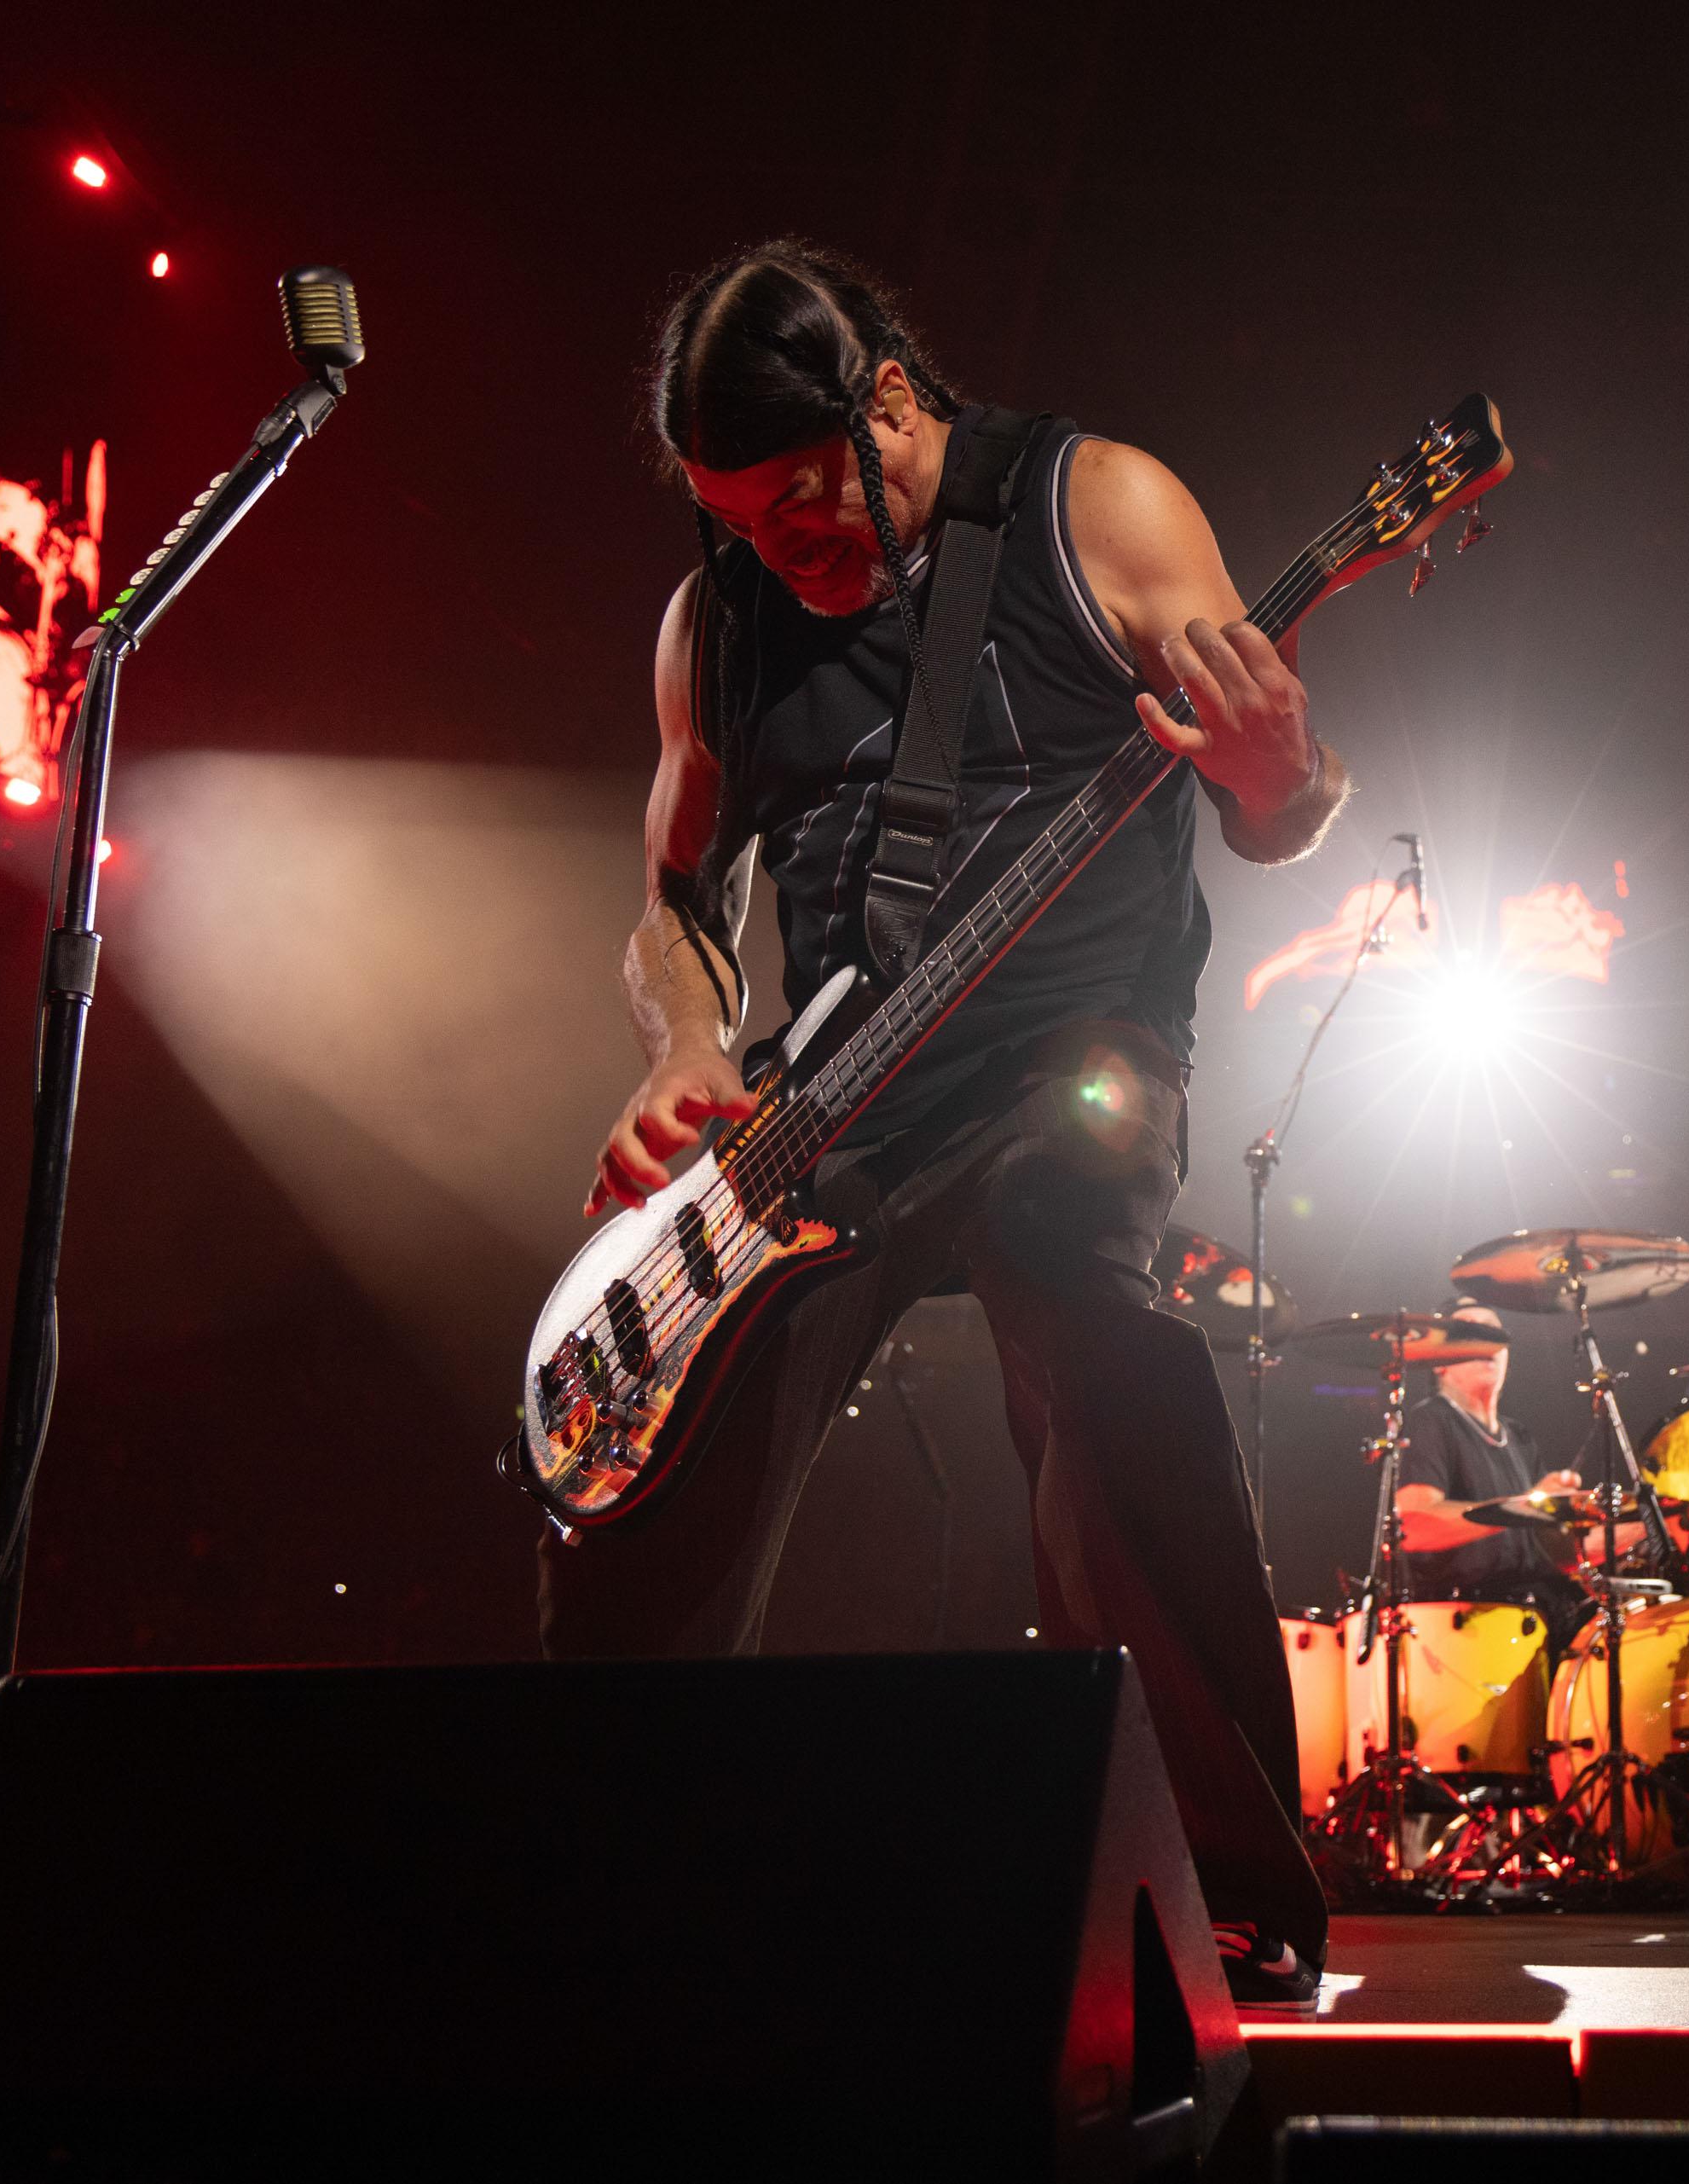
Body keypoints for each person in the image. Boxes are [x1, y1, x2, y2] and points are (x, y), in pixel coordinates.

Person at [541, 242, 1351, 2005]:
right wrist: (684, 1044)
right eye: (734, 519)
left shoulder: (1094, 505)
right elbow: (677, 901)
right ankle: (612, 1887)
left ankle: (1219, 1885)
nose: (778, 550)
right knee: (653, 1444)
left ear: (891, 402)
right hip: (839, 1094)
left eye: (802, 502)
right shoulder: (716, 619)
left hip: (1078, 1047)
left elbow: (1281, 810)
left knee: (1095, 1327)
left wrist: (1277, 772)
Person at [1386, 1303, 1593, 1643]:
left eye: (1493, 1331)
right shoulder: (1430, 1420)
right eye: (1470, 1331)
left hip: (1539, 1617)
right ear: (1440, 1362)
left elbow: (1556, 1554)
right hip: (1466, 1626)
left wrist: (1638, 1525)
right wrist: (1523, 1506)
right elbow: (1414, 1526)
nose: (1486, 1340)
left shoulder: (1519, 1436)